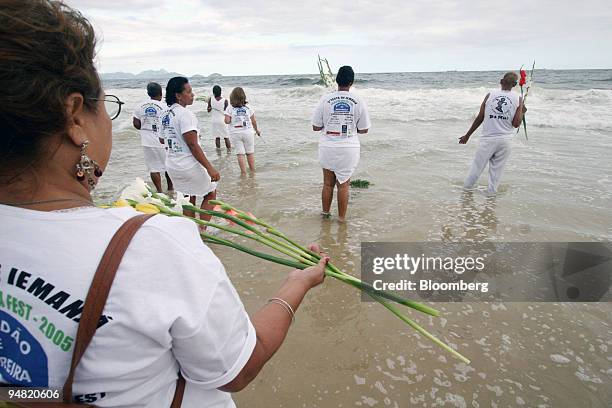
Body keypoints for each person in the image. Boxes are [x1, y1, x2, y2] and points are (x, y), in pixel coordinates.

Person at [0, 1, 328, 407]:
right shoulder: (152, 246)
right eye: (105, 104)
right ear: (75, 116)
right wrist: (297, 283)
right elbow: (239, 367)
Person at [311, 66, 371, 222]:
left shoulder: (325, 99)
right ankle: (342, 219)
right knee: (343, 185)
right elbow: (364, 130)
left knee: (327, 183)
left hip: (328, 146)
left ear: (337, 80)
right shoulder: (359, 100)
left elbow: (316, 127)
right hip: (349, 148)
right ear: (351, 82)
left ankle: (325, 215)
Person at [161, 77, 220, 225]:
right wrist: (210, 168)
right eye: (189, 92)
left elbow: (162, 139)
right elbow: (193, 145)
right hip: (188, 164)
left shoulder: (165, 114)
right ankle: (203, 230)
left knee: (188, 198)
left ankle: (191, 229)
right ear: (178, 95)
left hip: (172, 164)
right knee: (210, 192)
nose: (192, 94)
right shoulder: (185, 114)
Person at [459, 72, 526, 193]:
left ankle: (465, 195)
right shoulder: (518, 98)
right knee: (496, 174)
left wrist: (467, 135)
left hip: (487, 140)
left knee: (476, 169)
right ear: (515, 84)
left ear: (501, 81)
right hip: (505, 141)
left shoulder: (490, 95)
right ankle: (490, 201)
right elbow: (516, 124)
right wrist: (522, 111)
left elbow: (480, 118)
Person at [133, 82, 174, 193]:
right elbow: (169, 124)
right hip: (162, 141)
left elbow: (136, 124)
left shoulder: (139, 106)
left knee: (153, 168)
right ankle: (170, 189)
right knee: (167, 166)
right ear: (161, 93)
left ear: (148, 93)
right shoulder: (165, 107)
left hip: (147, 141)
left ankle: (159, 191)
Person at [224, 87, 261, 176]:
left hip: (235, 133)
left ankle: (243, 172)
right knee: (250, 152)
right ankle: (252, 171)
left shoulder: (229, 108)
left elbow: (227, 121)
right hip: (248, 132)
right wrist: (257, 130)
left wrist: (228, 117)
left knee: (240, 153)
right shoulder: (248, 107)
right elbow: (253, 121)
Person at [207, 85, 231, 152]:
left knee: (217, 137)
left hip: (214, 121)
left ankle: (218, 153)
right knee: (226, 137)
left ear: (213, 92)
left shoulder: (210, 99)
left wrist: (211, 106)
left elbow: (208, 110)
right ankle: (229, 152)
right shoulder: (225, 100)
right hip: (222, 121)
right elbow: (226, 112)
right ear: (220, 92)